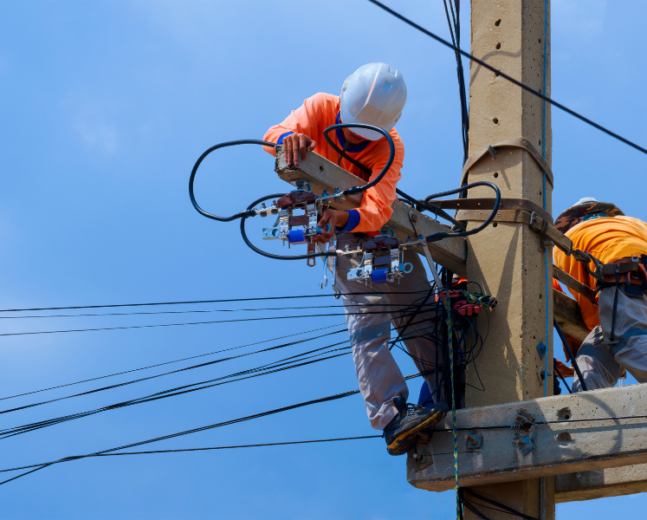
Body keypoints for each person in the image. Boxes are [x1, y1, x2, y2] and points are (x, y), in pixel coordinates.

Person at [263, 63, 447, 455]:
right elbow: (271, 138)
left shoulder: (389, 144)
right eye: (348, 129)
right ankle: (391, 416)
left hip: (377, 232)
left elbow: (379, 206)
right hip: (347, 238)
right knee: (369, 322)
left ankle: (451, 391)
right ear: (342, 99)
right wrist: (289, 140)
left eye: (363, 136)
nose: (355, 140)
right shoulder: (319, 107)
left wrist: (345, 215)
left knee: (422, 317)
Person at [553, 197, 647, 391]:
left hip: (625, 277)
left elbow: (596, 313)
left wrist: (572, 340)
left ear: (573, 220)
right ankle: (587, 414)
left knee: (628, 341)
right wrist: (573, 370)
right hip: (633, 281)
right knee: (592, 361)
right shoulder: (637, 225)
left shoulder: (568, 239)